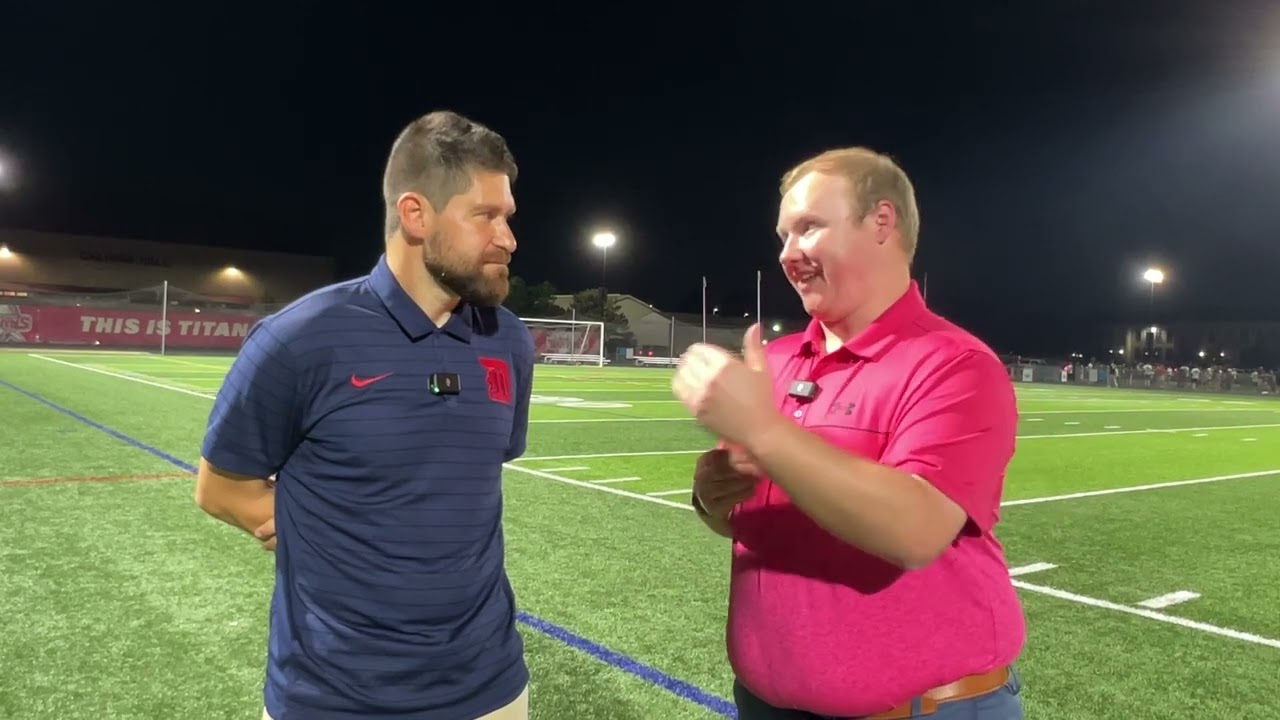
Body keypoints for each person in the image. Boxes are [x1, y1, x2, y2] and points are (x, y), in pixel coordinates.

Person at [195, 110, 535, 720]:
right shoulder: (299, 339)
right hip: (336, 697)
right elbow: (219, 487)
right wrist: (305, 526)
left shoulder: (507, 340)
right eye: (486, 216)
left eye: (508, 217)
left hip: (492, 690)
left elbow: (472, 476)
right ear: (416, 215)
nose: (507, 238)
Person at [672, 147, 1026, 719]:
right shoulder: (777, 360)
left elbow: (915, 530)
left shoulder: (956, 365)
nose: (788, 254)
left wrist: (763, 431)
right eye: (783, 236)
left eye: (809, 227)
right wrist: (711, 498)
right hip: (765, 704)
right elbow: (745, 521)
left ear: (881, 222)